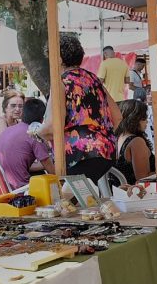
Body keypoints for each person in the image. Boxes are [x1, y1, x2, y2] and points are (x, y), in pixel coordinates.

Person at [34, 33, 122, 183]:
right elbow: (117, 116)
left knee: (67, 203)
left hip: (78, 156)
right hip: (106, 153)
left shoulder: (61, 83)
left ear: (59, 58)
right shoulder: (93, 79)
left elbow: (50, 129)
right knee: (84, 201)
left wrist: (36, 133)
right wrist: (99, 136)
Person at [0, 97, 53, 189]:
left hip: (0, 186)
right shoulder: (34, 133)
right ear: (42, 119)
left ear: (23, 114)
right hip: (20, 189)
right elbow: (51, 169)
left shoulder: (8, 130)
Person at [114, 99, 155, 183]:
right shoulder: (137, 142)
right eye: (143, 118)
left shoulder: (119, 137)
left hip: (122, 191)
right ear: (134, 120)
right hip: (136, 192)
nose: (147, 121)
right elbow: (143, 178)